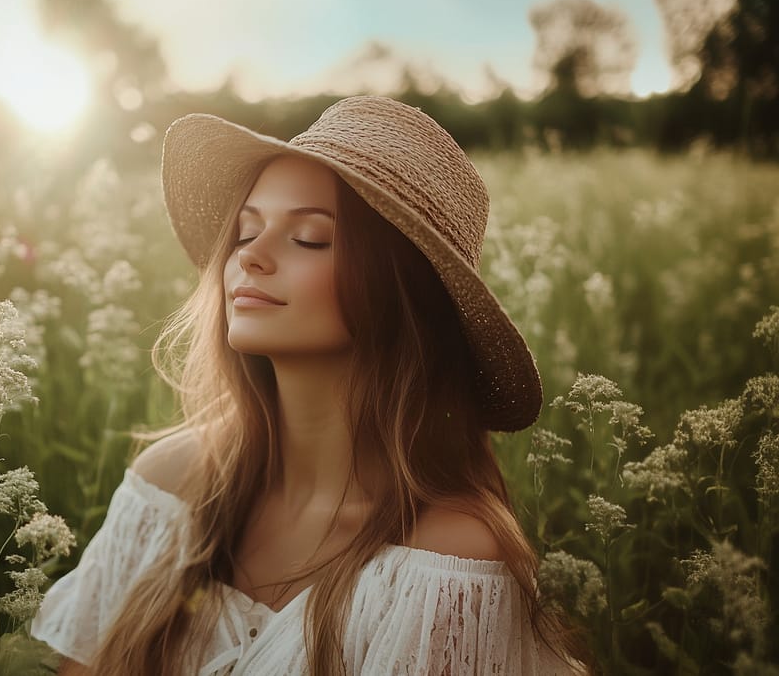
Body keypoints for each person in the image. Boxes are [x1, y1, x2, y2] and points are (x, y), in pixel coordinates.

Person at [30, 95, 588, 675]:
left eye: (310, 238)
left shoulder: (445, 560)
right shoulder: (168, 486)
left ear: (400, 290)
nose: (251, 257)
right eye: (245, 231)